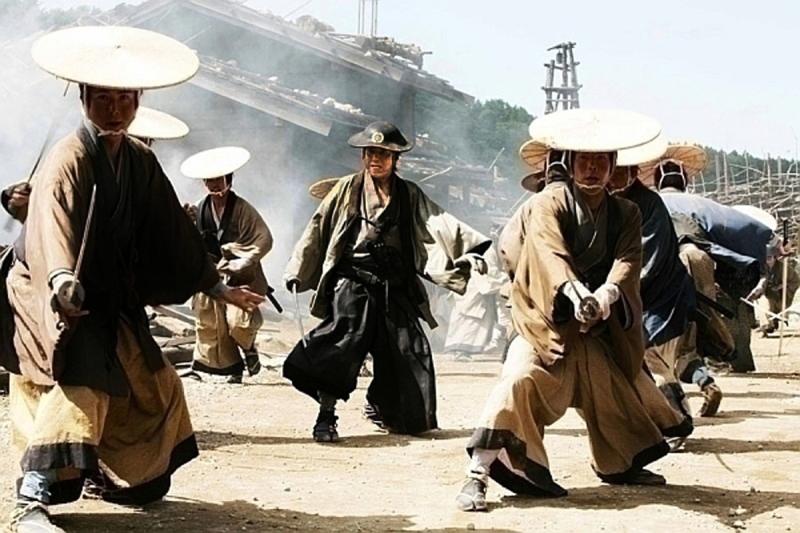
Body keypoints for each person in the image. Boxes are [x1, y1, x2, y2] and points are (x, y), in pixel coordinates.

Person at [0, 26, 264, 533]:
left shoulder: (140, 160)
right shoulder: (69, 157)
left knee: (155, 381)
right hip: (48, 290)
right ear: (84, 98)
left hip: (105, 294)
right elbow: (53, 224)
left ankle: (116, 473)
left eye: (125, 99)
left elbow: (169, 231)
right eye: (104, 99)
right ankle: (30, 498)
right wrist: (61, 280)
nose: (115, 110)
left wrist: (217, 286)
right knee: (82, 383)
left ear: (139, 100)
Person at [457, 110, 691, 512]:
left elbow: (628, 261)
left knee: (622, 385)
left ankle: (620, 463)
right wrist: (575, 292)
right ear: (571, 162)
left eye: (601, 161)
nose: (592, 168)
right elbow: (548, 253)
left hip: (597, 325)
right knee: (517, 381)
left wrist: (607, 296)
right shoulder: (547, 202)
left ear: (613, 165)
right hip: (544, 322)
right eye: (585, 159)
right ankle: (476, 474)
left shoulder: (627, 213)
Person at [283, 121, 490, 442]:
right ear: (363, 156)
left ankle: (387, 409)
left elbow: (437, 223)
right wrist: (297, 269)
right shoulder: (346, 189)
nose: (375, 159)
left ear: (396, 158)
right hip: (352, 283)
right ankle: (326, 416)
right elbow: (317, 226)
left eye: (383, 154)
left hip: (394, 284)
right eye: (370, 153)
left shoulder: (409, 194)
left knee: (408, 350)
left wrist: (470, 250)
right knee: (340, 346)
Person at [655, 150, 773, 377]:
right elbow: (741, 228)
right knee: (705, 311)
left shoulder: (647, 203)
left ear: (657, 180)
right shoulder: (701, 204)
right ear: (685, 181)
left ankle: (673, 366)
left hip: (662, 262)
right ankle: (712, 361)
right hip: (699, 258)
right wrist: (772, 243)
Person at [607, 138, 696, 432]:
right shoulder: (610, 203)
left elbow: (647, 260)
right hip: (631, 298)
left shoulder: (648, 203)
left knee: (653, 359)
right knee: (642, 362)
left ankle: (677, 421)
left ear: (632, 172)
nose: (612, 177)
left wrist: (613, 288)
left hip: (660, 297)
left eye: (618, 171)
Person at [180, 147, 273, 384]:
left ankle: (249, 348)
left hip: (241, 275)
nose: (214, 185)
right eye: (209, 180)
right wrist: (186, 223)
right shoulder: (200, 209)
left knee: (238, 322)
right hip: (212, 274)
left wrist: (240, 258)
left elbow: (262, 238)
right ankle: (231, 368)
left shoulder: (242, 209)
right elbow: (192, 242)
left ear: (228, 179)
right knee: (211, 324)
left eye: (218, 179)